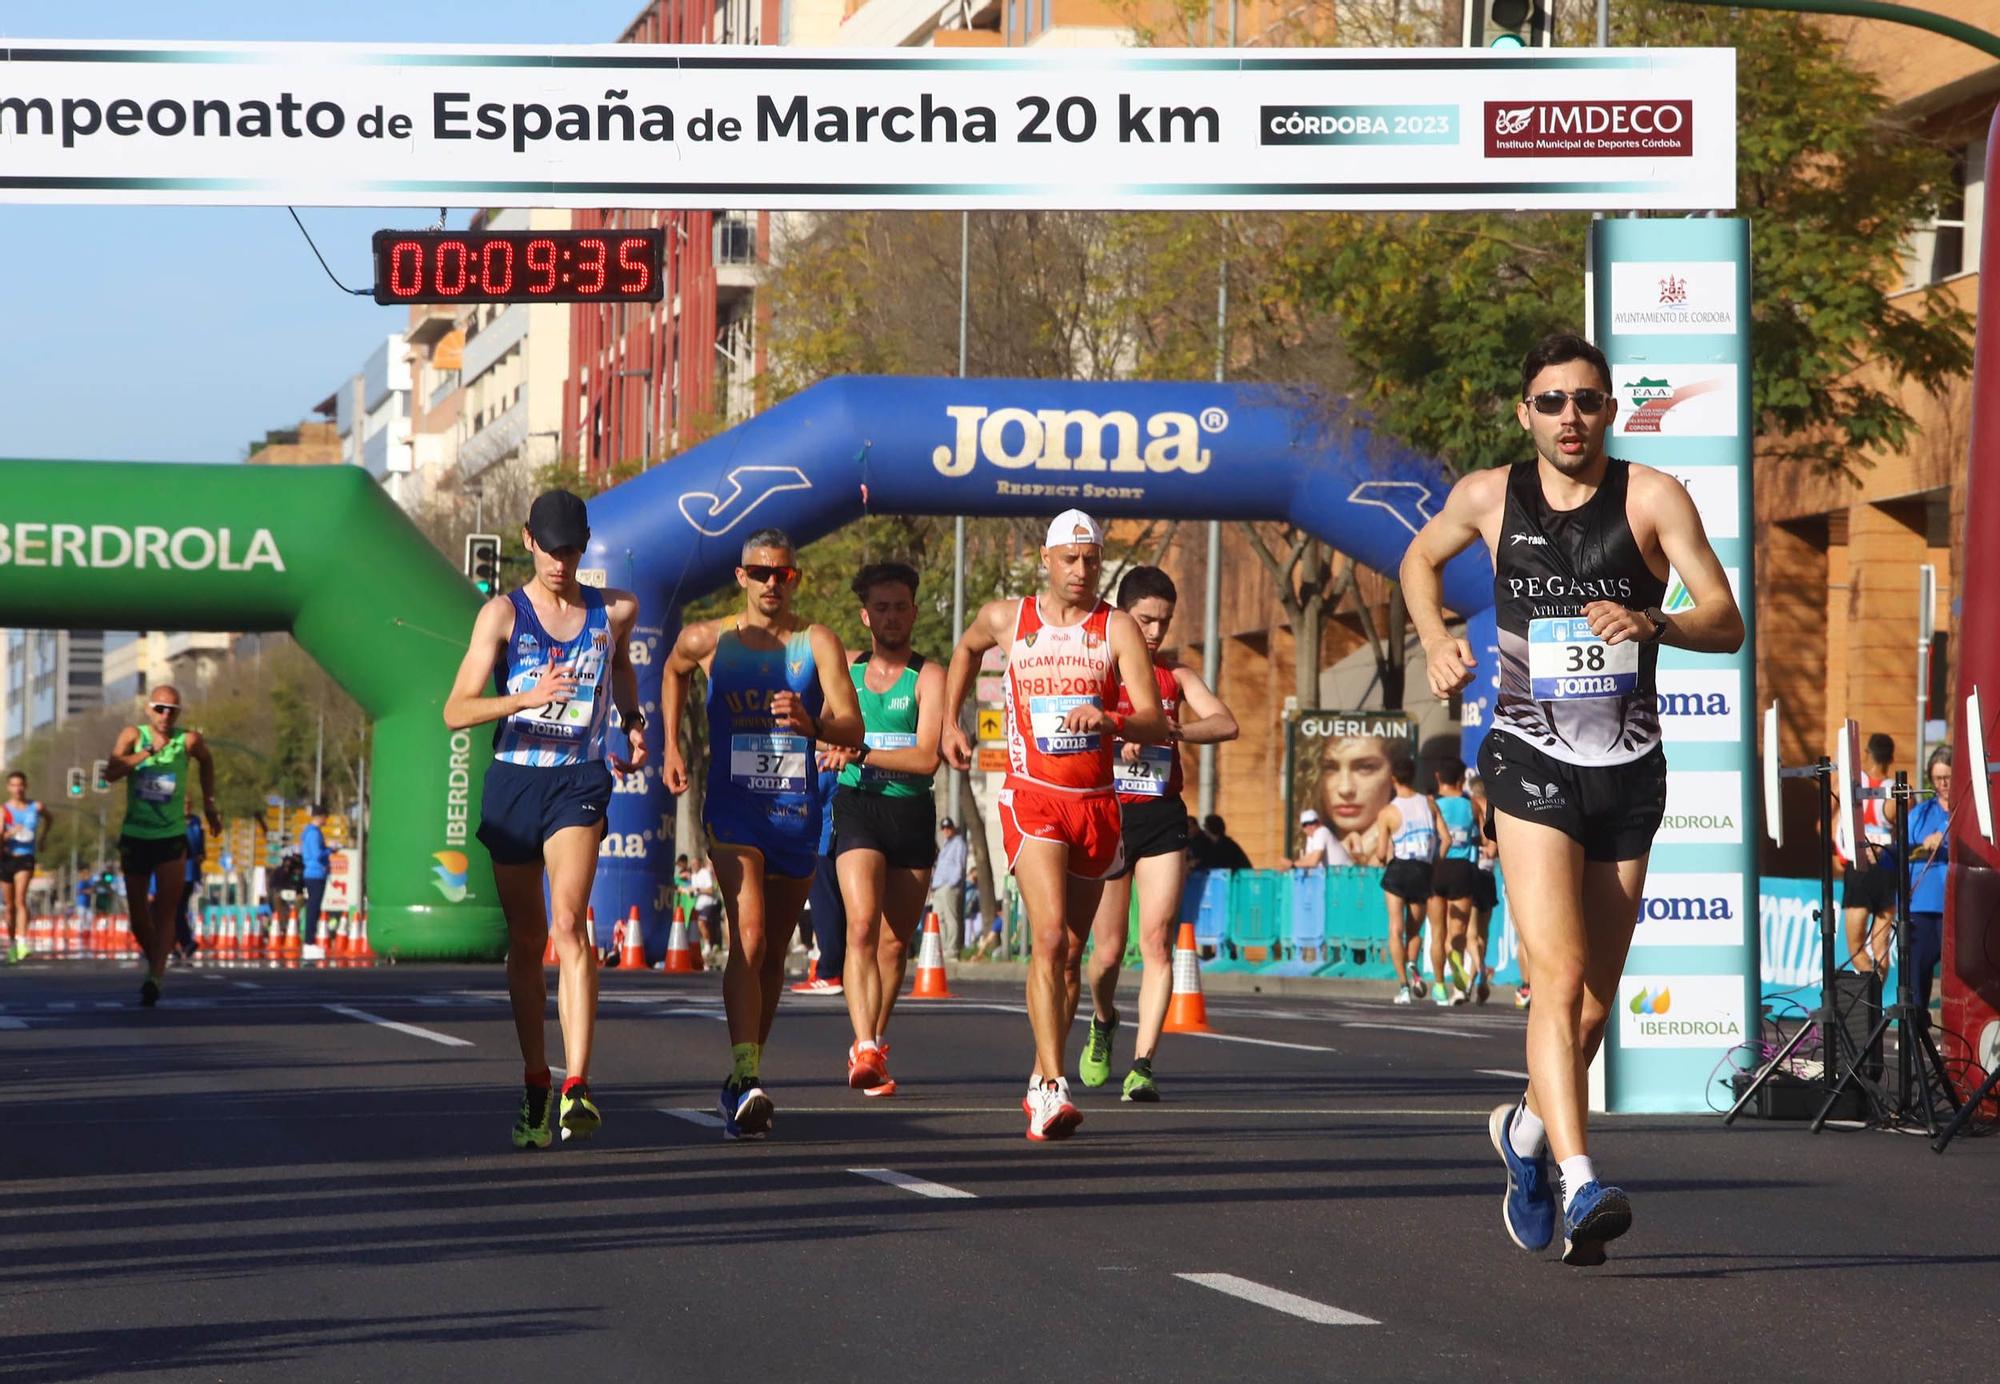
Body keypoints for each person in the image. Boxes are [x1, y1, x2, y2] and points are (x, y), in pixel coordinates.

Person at [1403, 329, 1743, 1266]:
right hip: (1527, 754)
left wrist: (1653, 619)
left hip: (1629, 764)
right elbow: (1415, 564)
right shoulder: (1486, 495)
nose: (1569, 418)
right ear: (1526, 412)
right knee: (1554, 975)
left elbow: (1728, 620)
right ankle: (1579, 1172)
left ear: (1608, 409)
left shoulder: (1652, 497)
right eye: (1550, 402)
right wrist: (1435, 637)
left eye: (1586, 401)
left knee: (1595, 1000)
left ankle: (1520, 1130)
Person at [942, 508, 1167, 1140]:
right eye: (1069, 559)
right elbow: (965, 647)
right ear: (1047, 559)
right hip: (1031, 798)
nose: (1080, 570)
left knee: (1072, 953)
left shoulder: (1116, 627)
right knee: (1045, 937)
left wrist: (1111, 718)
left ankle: (1044, 1074)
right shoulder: (1008, 619)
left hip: (1096, 803)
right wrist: (948, 722)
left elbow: (1153, 720)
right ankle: (1050, 1086)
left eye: (1091, 560)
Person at [444, 488, 647, 1150]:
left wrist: (634, 719)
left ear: (583, 546)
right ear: (528, 540)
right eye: (551, 548)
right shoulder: (502, 615)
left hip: (577, 784)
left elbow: (620, 668)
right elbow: (456, 710)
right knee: (528, 941)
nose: (562, 562)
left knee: (568, 924)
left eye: (572, 549)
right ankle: (535, 1077)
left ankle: (577, 1084)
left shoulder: (614, 610)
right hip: (514, 782)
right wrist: (525, 696)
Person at [662, 527, 863, 1140]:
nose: (774, 583)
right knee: (746, 934)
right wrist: (671, 745)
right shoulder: (708, 639)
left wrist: (815, 723)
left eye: (785, 574)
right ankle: (747, 1078)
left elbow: (852, 729)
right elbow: (672, 671)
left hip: (795, 812)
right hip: (733, 808)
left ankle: (742, 1074)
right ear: (741, 575)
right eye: (763, 572)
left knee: (774, 952)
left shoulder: (817, 642)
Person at [1071, 565, 1238, 1103]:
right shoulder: (1099, 676)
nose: (1154, 634)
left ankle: (1143, 1064)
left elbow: (1227, 723)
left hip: (1162, 816)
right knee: (1108, 954)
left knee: (1159, 941)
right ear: (1122, 617)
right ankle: (1102, 1019)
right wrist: (1113, 730)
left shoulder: (1177, 677)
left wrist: (1176, 729)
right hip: (1109, 814)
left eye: (1163, 623)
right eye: (1145, 621)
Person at [822, 562, 947, 1096]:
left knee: (895, 946)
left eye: (901, 607)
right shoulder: (846, 672)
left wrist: (864, 749)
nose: (891, 617)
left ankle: (873, 1039)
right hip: (858, 805)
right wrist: (830, 748)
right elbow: (829, 727)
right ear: (864, 615)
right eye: (882, 607)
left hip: (911, 813)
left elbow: (926, 759)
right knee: (861, 926)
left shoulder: (930, 676)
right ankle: (864, 1045)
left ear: (914, 612)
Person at [102, 687, 222, 1006]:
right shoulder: (132, 735)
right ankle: (157, 956)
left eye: (172, 710)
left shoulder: (189, 741)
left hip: (170, 837)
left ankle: (155, 977)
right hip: (136, 836)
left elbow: (207, 762)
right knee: (139, 916)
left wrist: (209, 805)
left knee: (166, 912)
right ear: (148, 710)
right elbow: (110, 773)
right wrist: (146, 753)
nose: (166, 715)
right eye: (160, 708)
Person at [1368, 755, 1442, 1005]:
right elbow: (1446, 839)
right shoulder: (1429, 803)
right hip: (1423, 869)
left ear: (1393, 780)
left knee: (1395, 928)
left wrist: (1381, 858)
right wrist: (1434, 863)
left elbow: (1380, 852)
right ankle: (1413, 964)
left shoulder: (1388, 812)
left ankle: (1403, 987)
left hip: (1399, 869)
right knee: (1415, 929)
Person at [1888, 746, 1952, 1019]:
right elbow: (1902, 851)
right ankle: (1915, 1029)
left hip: (1956, 906)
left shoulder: (1970, 812)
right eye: (1938, 779)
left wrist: (1946, 841)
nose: (1944, 785)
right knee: (1916, 974)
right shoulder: (1920, 814)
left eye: (1948, 777)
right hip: (1921, 906)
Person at [1840, 732, 1898, 975]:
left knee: (1856, 950)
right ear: (1891, 758)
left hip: (1859, 870)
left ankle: (1870, 1003)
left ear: (1867, 754)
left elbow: (1825, 824)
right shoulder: (1896, 791)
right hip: (1886, 870)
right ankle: (1875, 1005)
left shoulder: (1848, 783)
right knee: (1880, 945)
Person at [1427, 760, 1484, 1005]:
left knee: (1436, 932)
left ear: (1439, 777)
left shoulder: (1431, 805)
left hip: (1436, 867)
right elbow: (1481, 839)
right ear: (1462, 779)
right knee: (1457, 932)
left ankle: (1439, 985)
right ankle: (1457, 966)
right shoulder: (1471, 804)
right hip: (1462, 869)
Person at [795, 759, 847, 995]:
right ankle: (840, 971)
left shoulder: (824, 765)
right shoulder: (839, 763)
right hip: (834, 845)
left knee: (826, 912)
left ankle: (829, 973)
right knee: (837, 911)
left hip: (823, 845)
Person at [1465, 771, 1505, 1007]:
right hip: (1488, 874)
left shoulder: (1471, 811)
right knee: (1483, 935)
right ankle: (1475, 981)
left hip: (1472, 872)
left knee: (1470, 935)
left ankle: (1480, 971)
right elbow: (1493, 849)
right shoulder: (1495, 813)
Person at [2, 771, 50, 963]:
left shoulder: (35, 807)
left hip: (26, 857)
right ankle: (13, 943)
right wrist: (9, 833)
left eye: (20, 784)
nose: (17, 789)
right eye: (13, 785)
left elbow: (50, 819)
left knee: (21, 898)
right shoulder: (3, 810)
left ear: (26, 786)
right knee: (10, 906)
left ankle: (22, 942)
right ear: (8, 788)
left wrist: (43, 838)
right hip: (6, 858)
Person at [298, 803, 332, 962]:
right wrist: (331, 849)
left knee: (314, 908)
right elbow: (317, 854)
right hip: (315, 874)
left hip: (315, 874)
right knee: (313, 908)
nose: (327, 819)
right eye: (326, 816)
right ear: (320, 817)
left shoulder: (311, 833)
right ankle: (309, 943)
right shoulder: (314, 833)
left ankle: (310, 942)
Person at [932, 817, 968, 950]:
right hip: (939, 887)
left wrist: (952, 884)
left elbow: (960, 865)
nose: (946, 830)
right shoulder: (946, 844)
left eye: (948, 828)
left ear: (953, 828)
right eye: (944, 828)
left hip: (948, 886)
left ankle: (951, 949)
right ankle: (941, 948)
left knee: (950, 918)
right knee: (938, 919)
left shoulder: (959, 843)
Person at [175, 812, 204, 962]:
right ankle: (177, 945)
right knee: (174, 910)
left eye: (188, 803)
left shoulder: (194, 822)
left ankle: (184, 943)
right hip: (174, 871)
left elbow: (198, 849)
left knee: (176, 910)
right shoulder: (173, 819)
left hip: (186, 874)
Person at [689, 856, 722, 964]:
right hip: (699, 904)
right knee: (698, 926)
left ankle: (708, 946)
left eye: (695, 864)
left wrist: (698, 890)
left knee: (701, 923)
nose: (693, 866)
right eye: (692, 864)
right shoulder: (693, 875)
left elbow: (710, 890)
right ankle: (710, 945)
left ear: (700, 864)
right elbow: (695, 892)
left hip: (709, 903)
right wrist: (689, 892)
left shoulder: (705, 873)